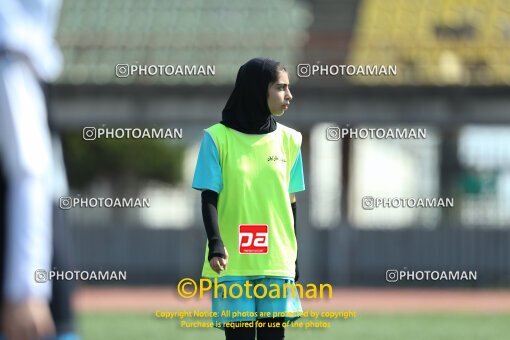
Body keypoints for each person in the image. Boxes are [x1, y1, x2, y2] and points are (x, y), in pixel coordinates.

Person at [192, 58, 305, 340]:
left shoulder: (291, 140)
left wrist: (295, 255)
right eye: (280, 88)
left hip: (276, 259)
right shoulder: (216, 138)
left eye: (288, 88)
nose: (289, 95)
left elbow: (291, 202)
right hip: (232, 260)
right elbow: (209, 197)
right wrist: (216, 244)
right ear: (258, 90)